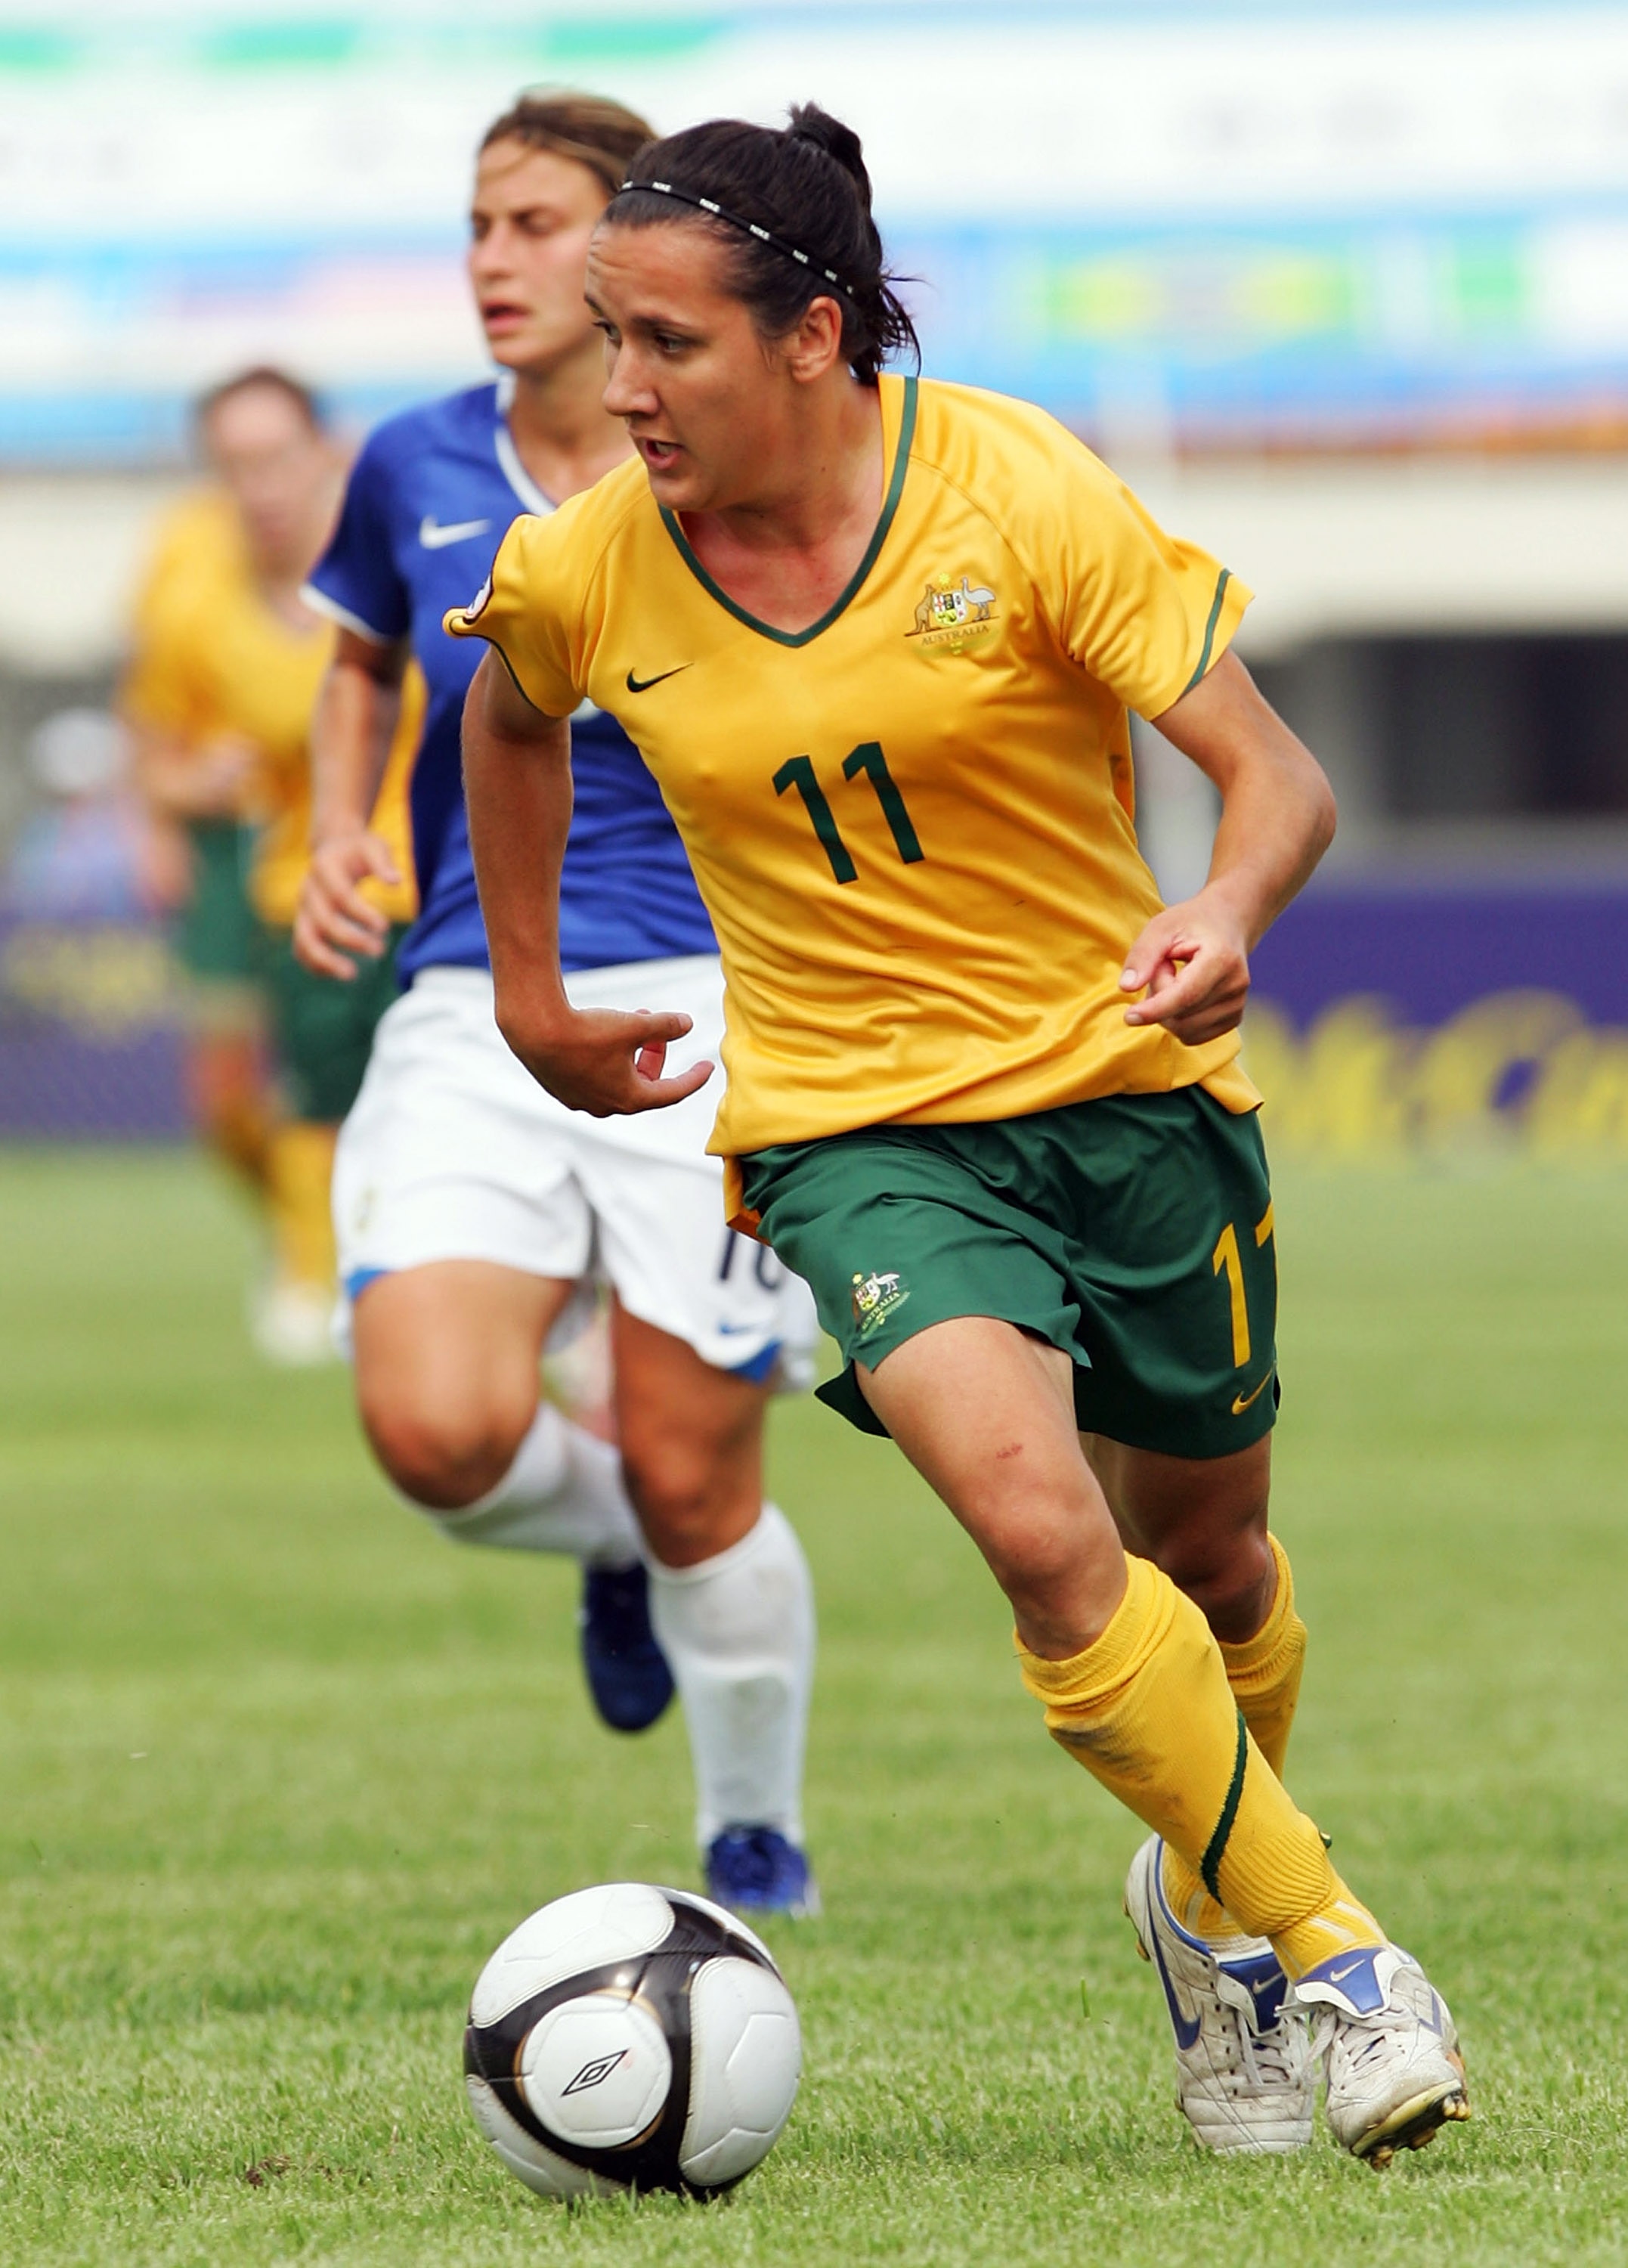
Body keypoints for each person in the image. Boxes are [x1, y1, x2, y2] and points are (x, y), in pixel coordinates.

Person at [447, 104, 1472, 2165]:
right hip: (853, 1137)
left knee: (1217, 1558)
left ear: (813, 333)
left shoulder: (1015, 486)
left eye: (669, 347)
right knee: (1036, 1534)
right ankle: (1339, 1952)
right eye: (608, 341)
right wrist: (534, 996)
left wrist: (1221, 911)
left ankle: (1204, 1917)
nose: (621, 391)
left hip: (1125, 1096)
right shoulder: (576, 562)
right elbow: (509, 714)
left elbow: (1273, 779)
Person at [294, 91, 819, 1917]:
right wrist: (335, 831)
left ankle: (756, 1841)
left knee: (701, 1480)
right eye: (479, 224)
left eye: (535, 227)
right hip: (474, 990)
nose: (494, 262)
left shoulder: (737, 469)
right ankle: (609, 1549)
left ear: (628, 258)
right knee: (433, 1432)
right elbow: (364, 662)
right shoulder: (414, 464)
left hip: (715, 1007)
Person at [123, 368, 419, 1361]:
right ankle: (307, 1263)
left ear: (325, 451)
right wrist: (176, 803)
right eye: (234, 465)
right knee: (272, 1100)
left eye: (277, 457)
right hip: (298, 882)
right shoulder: (191, 592)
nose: (260, 486)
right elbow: (156, 740)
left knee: (449, 1101)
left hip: (444, 882)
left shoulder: (406, 543)